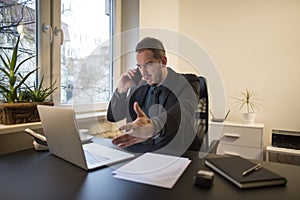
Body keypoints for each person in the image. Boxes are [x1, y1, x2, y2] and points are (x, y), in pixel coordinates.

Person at [107, 37, 200, 153]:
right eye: (140, 66)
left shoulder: (187, 82)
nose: (144, 72)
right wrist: (121, 90)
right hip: (143, 152)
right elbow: (113, 116)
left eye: (148, 64)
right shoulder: (139, 86)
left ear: (163, 62)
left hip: (177, 152)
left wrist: (153, 127)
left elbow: (184, 109)